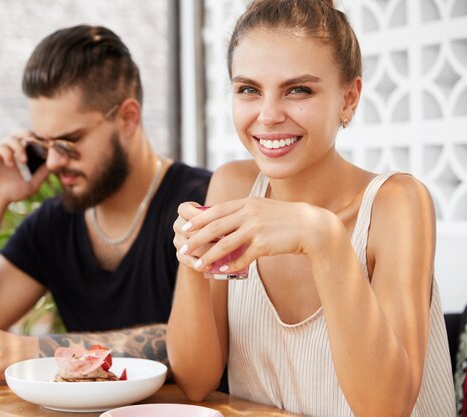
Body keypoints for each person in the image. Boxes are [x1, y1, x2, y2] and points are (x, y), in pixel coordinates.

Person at [167, 1, 454, 416]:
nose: (267, 116)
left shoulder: (397, 204)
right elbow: (195, 382)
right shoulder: (233, 185)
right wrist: (194, 260)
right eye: (248, 89)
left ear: (348, 99)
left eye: (298, 90)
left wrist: (323, 238)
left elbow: (387, 409)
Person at [0, 24, 211, 379]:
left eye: (69, 141)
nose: (53, 162)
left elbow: (209, 345)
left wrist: (33, 350)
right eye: (44, 144)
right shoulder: (56, 222)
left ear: (128, 117)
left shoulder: (202, 203)